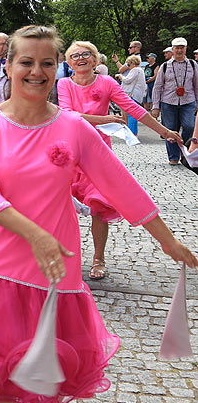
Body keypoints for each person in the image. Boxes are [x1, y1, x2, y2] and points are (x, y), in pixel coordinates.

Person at [0, 25, 198, 403]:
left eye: (45, 63)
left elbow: (120, 184)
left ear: (56, 68)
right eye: (26, 62)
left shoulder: (74, 127)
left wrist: (167, 241)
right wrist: (34, 233)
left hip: (57, 268)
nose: (36, 71)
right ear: (9, 65)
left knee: (56, 360)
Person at [58, 41, 183, 280]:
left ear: (95, 60)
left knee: (98, 206)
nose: (81, 58)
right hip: (69, 153)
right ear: (69, 62)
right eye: (75, 55)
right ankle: (64, 256)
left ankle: (98, 259)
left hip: (98, 155)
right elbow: (67, 115)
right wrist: (103, 119)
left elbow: (134, 109)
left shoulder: (107, 82)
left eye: (86, 54)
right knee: (61, 206)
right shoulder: (64, 84)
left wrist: (164, 131)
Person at [151, 37, 198, 165]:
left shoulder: (193, 65)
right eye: (177, 48)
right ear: (172, 49)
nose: (179, 50)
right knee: (170, 129)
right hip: (168, 102)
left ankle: (186, 152)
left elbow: (196, 85)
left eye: (182, 48)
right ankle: (173, 157)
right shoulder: (165, 66)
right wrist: (155, 106)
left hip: (188, 101)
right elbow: (158, 86)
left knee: (189, 126)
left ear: (186, 49)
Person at [116, 54, 147, 129]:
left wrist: (120, 76)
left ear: (133, 63)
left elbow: (127, 80)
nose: (128, 66)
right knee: (132, 113)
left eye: (128, 64)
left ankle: (132, 131)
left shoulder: (135, 70)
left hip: (133, 94)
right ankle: (132, 130)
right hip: (137, 94)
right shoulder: (140, 70)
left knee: (131, 113)